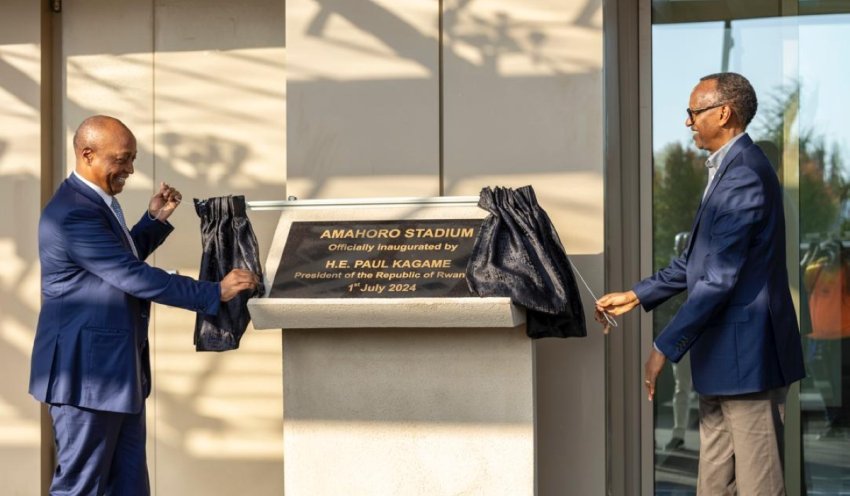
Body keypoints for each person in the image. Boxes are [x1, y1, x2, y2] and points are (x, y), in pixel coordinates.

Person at [596, 73, 805, 494]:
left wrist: (662, 348)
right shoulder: (726, 169)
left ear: (723, 112)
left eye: (694, 112)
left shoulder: (744, 173)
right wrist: (636, 296)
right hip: (724, 362)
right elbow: (695, 262)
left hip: (749, 364)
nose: (688, 122)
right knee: (714, 485)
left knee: (758, 485)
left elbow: (718, 278)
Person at [29, 115, 259, 495]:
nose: (130, 170)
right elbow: (131, 275)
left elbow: (116, 261)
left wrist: (153, 221)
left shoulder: (93, 204)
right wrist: (213, 292)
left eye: (132, 159)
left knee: (130, 487)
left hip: (116, 375)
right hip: (85, 377)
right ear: (88, 154)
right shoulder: (74, 212)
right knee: (81, 487)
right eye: (122, 160)